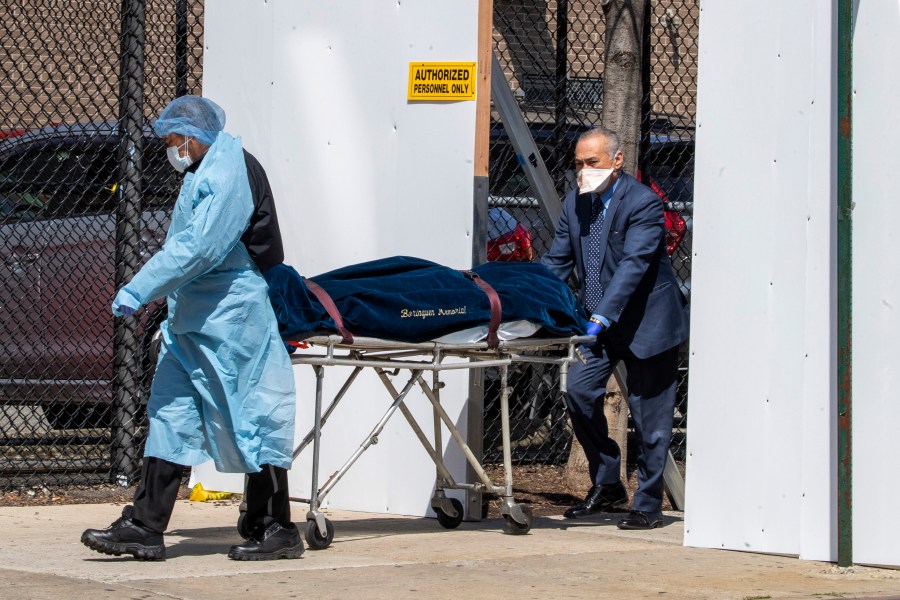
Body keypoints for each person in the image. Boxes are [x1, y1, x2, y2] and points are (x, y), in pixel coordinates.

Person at [81, 96, 302, 560]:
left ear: (193, 135)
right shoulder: (201, 170)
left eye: (172, 139)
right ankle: (145, 524)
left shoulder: (228, 172)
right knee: (169, 414)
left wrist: (140, 288)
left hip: (231, 316)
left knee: (249, 415)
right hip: (193, 316)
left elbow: (201, 248)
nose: (169, 148)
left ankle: (276, 527)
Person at [541, 127, 688, 530]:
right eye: (578, 164)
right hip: (598, 326)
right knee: (579, 392)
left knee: (650, 418)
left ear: (617, 161)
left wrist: (601, 314)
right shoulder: (576, 203)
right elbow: (557, 261)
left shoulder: (643, 203)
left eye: (593, 162)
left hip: (647, 322)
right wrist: (531, 299)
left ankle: (648, 505)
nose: (584, 171)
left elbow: (634, 265)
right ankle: (607, 483)